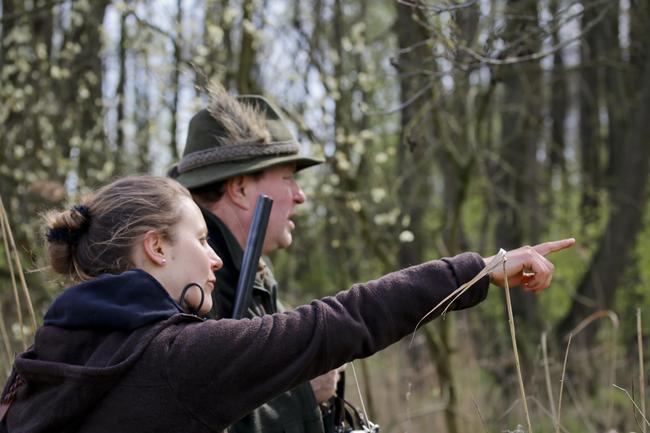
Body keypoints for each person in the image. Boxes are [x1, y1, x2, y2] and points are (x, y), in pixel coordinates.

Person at [0, 175, 573, 433]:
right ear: (154, 247)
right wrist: (476, 270)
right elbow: (342, 322)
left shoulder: (35, 366)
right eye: (199, 240)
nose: (215, 259)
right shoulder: (176, 358)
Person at [169, 82, 341, 433]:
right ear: (241, 189)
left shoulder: (250, 273)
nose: (300, 195)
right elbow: (195, 416)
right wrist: (305, 395)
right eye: (289, 178)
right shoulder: (189, 283)